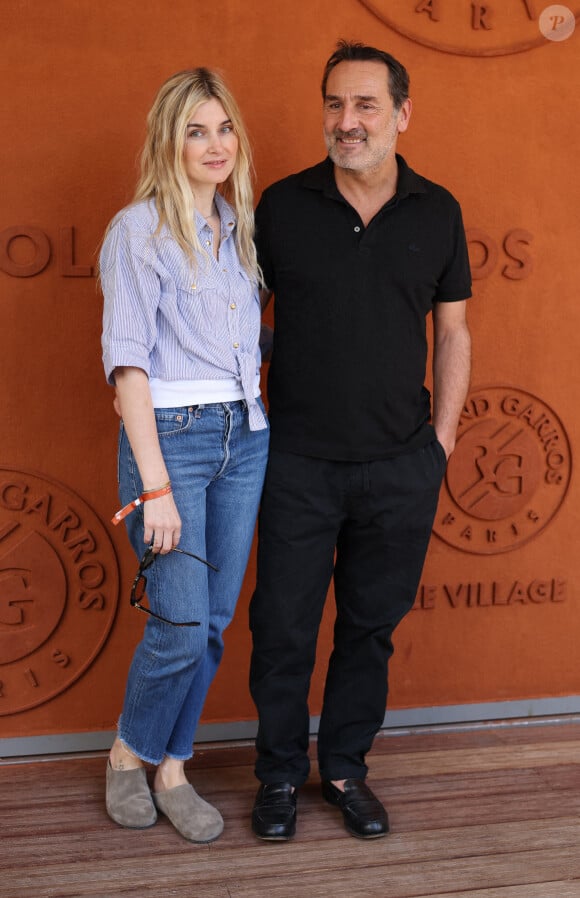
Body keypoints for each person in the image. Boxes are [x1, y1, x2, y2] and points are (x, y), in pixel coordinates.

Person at [249, 40, 471, 841]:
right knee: (282, 630)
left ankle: (343, 769)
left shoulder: (438, 211)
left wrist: (439, 441)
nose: (348, 122)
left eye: (366, 104)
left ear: (402, 114)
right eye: (336, 104)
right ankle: (276, 777)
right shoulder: (278, 206)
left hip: (399, 465)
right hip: (296, 463)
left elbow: (452, 334)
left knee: (369, 631)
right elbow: (237, 322)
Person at [100, 68, 269, 843]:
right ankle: (128, 754)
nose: (214, 144)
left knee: (212, 624)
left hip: (246, 437)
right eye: (195, 130)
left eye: (223, 128)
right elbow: (129, 367)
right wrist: (156, 487)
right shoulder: (138, 231)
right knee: (176, 622)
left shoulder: (238, 228)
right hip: (173, 440)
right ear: (168, 141)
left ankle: (171, 765)